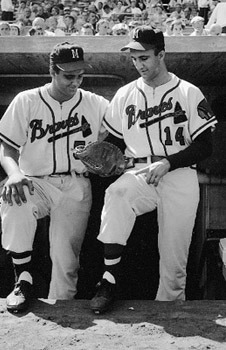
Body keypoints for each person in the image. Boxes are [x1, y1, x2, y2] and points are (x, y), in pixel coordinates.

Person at [90, 26, 217, 314]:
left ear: (161, 54)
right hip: (140, 171)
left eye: (144, 57)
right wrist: (100, 157)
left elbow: (206, 145)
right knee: (118, 192)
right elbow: (112, 140)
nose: (139, 65)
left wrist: (169, 161)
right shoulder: (124, 94)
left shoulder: (187, 91)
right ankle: (109, 279)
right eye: (134, 59)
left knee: (174, 263)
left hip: (179, 173)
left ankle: (172, 318)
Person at [0, 42, 109, 312]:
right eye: (69, 75)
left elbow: (124, 125)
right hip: (36, 181)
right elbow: (7, 148)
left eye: (80, 75)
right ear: (53, 72)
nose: (76, 81)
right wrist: (13, 174)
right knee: (13, 198)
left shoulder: (95, 103)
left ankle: (64, 315)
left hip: (76, 184)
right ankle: (22, 278)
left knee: (66, 261)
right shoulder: (27, 100)